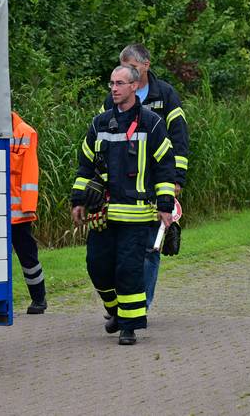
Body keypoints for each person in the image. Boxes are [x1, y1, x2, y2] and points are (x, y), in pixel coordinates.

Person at [71, 65, 176, 345]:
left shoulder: (152, 123)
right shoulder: (100, 124)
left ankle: (129, 327)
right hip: (103, 215)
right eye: (112, 83)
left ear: (134, 86)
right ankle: (116, 311)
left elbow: (165, 167)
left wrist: (165, 205)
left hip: (137, 215)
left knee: (128, 270)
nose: (114, 89)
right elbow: (85, 165)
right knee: (97, 266)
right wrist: (78, 200)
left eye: (120, 83)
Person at [103, 43, 190, 309]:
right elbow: (101, 140)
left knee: (150, 246)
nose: (127, 72)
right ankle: (123, 301)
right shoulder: (113, 97)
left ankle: (142, 304)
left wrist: (176, 179)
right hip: (121, 185)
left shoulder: (165, 94)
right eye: (123, 67)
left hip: (155, 181)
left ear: (146, 65)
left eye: (132, 67)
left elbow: (179, 137)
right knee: (118, 248)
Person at [10, 111, 47, 314]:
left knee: (28, 256)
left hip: (18, 212)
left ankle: (39, 298)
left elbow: (30, 172)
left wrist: (28, 207)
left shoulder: (25, 132)